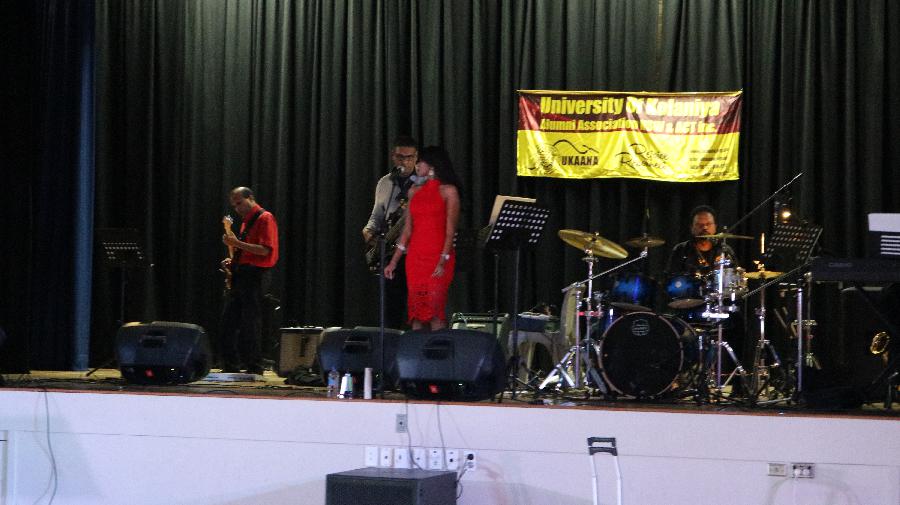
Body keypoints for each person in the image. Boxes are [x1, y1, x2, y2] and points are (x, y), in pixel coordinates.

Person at [383, 146, 461, 331]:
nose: (417, 166)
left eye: (420, 162)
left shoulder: (449, 191)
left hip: (437, 258)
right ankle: (415, 349)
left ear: (432, 165)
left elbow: (450, 230)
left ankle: (438, 348)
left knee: (434, 311)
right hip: (415, 260)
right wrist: (393, 262)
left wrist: (443, 260)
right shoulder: (414, 192)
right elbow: (407, 231)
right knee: (416, 315)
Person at [220, 187, 279, 375]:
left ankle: (254, 366)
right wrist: (234, 260)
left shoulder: (265, 218)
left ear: (250, 198)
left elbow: (265, 250)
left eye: (239, 203)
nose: (237, 208)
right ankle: (231, 365)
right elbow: (248, 251)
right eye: (234, 205)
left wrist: (236, 243)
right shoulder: (246, 221)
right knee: (229, 321)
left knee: (250, 322)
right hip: (243, 273)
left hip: (256, 275)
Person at [362, 136, 418, 329]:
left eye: (409, 157)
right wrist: (368, 230)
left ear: (416, 157)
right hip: (390, 255)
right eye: (401, 157)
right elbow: (377, 216)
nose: (405, 162)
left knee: (418, 313)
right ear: (393, 157)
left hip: (416, 256)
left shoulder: (426, 184)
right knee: (391, 313)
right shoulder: (385, 183)